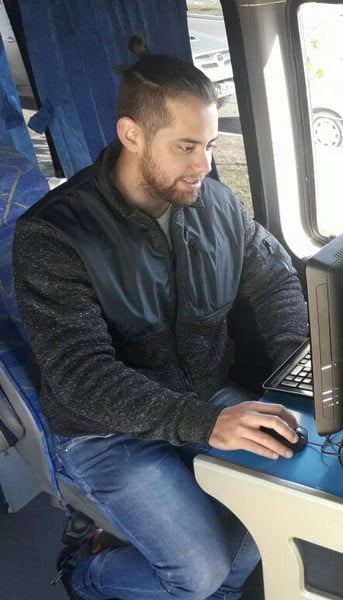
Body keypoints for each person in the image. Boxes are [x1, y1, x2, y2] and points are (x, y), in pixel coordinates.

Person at [12, 43, 308, 600]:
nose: (205, 166)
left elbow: (274, 280)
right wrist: (204, 423)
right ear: (132, 135)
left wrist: (299, 364)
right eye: (187, 147)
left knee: (287, 503)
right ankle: (86, 573)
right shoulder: (54, 235)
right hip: (106, 429)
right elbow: (80, 375)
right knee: (197, 573)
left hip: (206, 394)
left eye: (210, 145)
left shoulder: (216, 205)